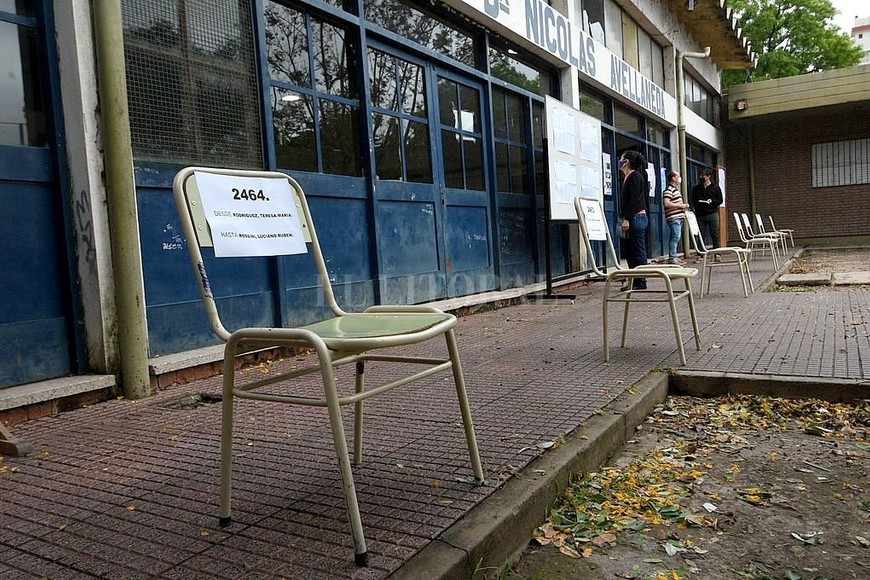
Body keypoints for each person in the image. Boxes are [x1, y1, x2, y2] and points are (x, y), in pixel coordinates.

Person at [618, 150, 648, 290]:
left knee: (637, 250)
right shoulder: (628, 177)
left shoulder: (634, 176)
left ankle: (640, 281)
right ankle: (634, 279)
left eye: (622, 158)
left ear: (627, 161)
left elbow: (633, 200)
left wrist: (627, 219)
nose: (620, 160)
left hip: (636, 218)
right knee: (630, 250)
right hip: (634, 217)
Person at [690, 168, 723, 257]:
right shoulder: (696, 188)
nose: (701, 178)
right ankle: (700, 254)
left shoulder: (715, 187)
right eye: (700, 176)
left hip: (712, 214)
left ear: (708, 176)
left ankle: (717, 254)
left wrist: (712, 202)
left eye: (703, 176)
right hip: (700, 215)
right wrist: (697, 209)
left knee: (715, 234)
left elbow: (720, 200)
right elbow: (693, 200)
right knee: (700, 235)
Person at [662, 170, 689, 264]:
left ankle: (674, 256)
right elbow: (666, 203)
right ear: (673, 178)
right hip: (674, 218)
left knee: (676, 237)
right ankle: (672, 258)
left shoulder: (675, 190)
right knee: (675, 237)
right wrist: (681, 206)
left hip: (678, 217)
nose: (679, 178)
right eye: (678, 176)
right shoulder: (669, 190)